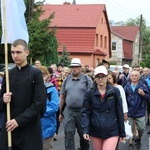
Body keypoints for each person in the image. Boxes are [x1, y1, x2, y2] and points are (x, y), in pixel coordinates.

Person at [0, 39, 46, 150]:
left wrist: (18, 121)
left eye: (18, 52)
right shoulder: (8, 74)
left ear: (27, 52)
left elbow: (39, 103)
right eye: (12, 52)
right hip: (10, 129)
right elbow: (1, 99)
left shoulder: (35, 73)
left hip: (29, 129)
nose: (15, 56)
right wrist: (3, 99)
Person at [81, 66, 125, 150]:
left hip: (112, 130)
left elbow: (119, 112)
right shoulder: (89, 93)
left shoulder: (115, 91)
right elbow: (85, 112)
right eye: (98, 77)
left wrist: (122, 132)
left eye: (103, 76)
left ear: (106, 77)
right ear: (95, 78)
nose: (100, 79)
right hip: (96, 130)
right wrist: (85, 130)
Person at [59, 58, 93, 150]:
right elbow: (62, 97)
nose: (74, 69)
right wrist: (60, 112)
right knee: (68, 134)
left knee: (84, 135)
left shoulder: (87, 80)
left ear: (80, 67)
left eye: (76, 67)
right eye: (72, 67)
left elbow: (92, 96)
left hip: (83, 112)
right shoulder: (66, 80)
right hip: (69, 111)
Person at [124, 71, 150, 149]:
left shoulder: (143, 86)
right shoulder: (127, 86)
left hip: (140, 110)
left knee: (141, 128)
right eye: (132, 75)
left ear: (139, 77)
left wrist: (143, 94)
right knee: (130, 128)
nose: (134, 77)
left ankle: (138, 137)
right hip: (130, 110)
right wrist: (124, 111)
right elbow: (123, 99)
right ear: (130, 77)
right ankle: (130, 143)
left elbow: (148, 98)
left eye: (136, 75)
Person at [39, 66, 59, 150]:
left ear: (46, 76)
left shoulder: (51, 89)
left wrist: (39, 112)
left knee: (46, 148)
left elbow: (54, 107)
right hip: (33, 127)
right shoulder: (31, 89)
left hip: (47, 126)